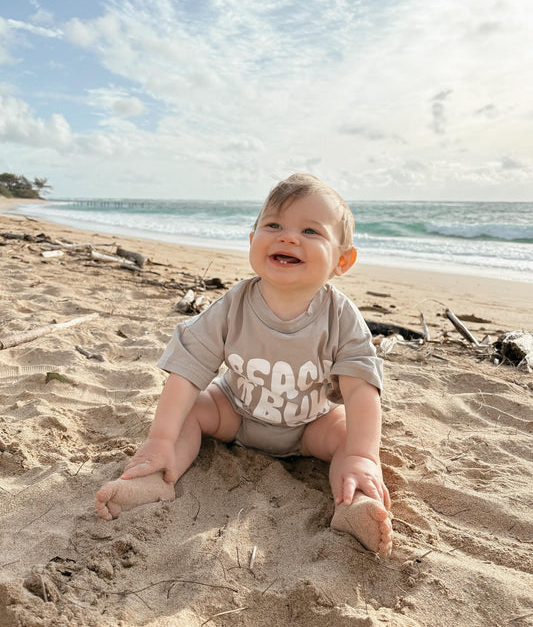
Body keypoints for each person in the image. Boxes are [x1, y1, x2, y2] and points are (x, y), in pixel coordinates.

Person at [95, 173, 393, 557]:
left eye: (310, 230)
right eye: (273, 225)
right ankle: (155, 475)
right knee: (188, 411)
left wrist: (361, 455)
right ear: (253, 241)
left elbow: (360, 389)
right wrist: (159, 439)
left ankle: (353, 504)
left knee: (352, 438)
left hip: (310, 424)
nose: (287, 237)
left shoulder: (341, 316)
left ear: (342, 260)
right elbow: (187, 371)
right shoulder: (233, 305)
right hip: (235, 412)